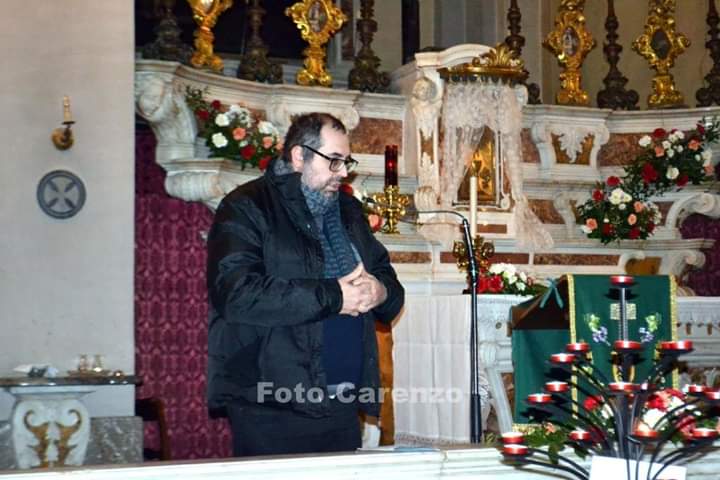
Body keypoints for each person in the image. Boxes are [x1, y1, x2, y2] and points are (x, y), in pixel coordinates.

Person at [206, 112, 405, 457]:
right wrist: (335, 296)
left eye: (347, 162)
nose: (343, 172)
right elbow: (236, 293)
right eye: (334, 161)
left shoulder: (348, 210)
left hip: (342, 403)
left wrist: (380, 291)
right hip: (270, 405)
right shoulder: (246, 206)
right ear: (300, 156)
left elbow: (389, 284)